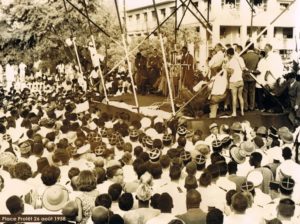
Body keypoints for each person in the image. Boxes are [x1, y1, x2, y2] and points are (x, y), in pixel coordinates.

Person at [223, 47, 245, 117]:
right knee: (240, 96)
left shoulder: (231, 61)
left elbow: (231, 71)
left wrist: (226, 68)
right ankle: (242, 111)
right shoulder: (240, 59)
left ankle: (234, 112)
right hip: (240, 80)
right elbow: (243, 68)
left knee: (234, 97)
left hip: (233, 81)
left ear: (229, 54)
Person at [242, 42, 260, 111]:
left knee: (245, 92)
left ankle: (245, 107)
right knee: (252, 92)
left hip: (245, 76)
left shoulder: (243, 56)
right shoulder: (257, 56)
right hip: (253, 76)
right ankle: (252, 106)